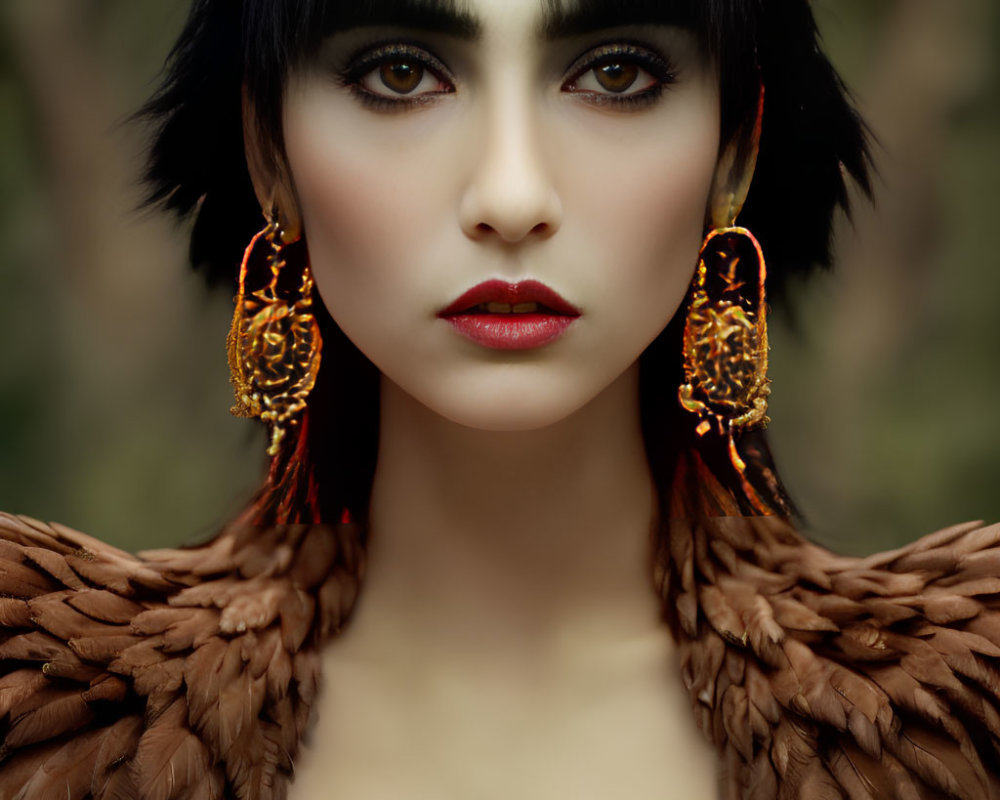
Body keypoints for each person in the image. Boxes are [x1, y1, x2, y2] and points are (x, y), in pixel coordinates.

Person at [0, 1, 997, 798]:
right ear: (271, 153)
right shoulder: (44, 711)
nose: (512, 195)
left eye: (614, 71)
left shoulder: (966, 714)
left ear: (735, 147)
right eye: (400, 71)